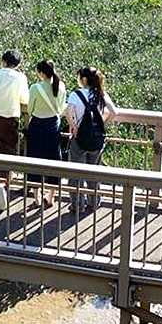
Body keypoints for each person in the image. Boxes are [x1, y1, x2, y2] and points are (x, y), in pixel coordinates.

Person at [65, 66, 117, 214]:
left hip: (80, 138)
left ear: (84, 79)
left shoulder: (76, 94)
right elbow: (114, 112)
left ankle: (77, 205)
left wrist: (75, 127)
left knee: (76, 173)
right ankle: (94, 203)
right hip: (96, 139)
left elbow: (68, 112)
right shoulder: (101, 94)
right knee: (93, 173)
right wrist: (102, 125)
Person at [0, 49, 29, 211]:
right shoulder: (20, 77)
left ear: (2, 61)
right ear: (18, 65)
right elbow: (24, 99)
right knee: (7, 155)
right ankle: (3, 185)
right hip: (8, 120)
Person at [25, 60, 66, 208]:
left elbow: (30, 109)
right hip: (53, 126)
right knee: (54, 160)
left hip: (37, 125)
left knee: (34, 159)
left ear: (41, 73)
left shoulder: (35, 88)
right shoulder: (60, 86)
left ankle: (37, 197)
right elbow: (61, 109)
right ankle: (51, 197)